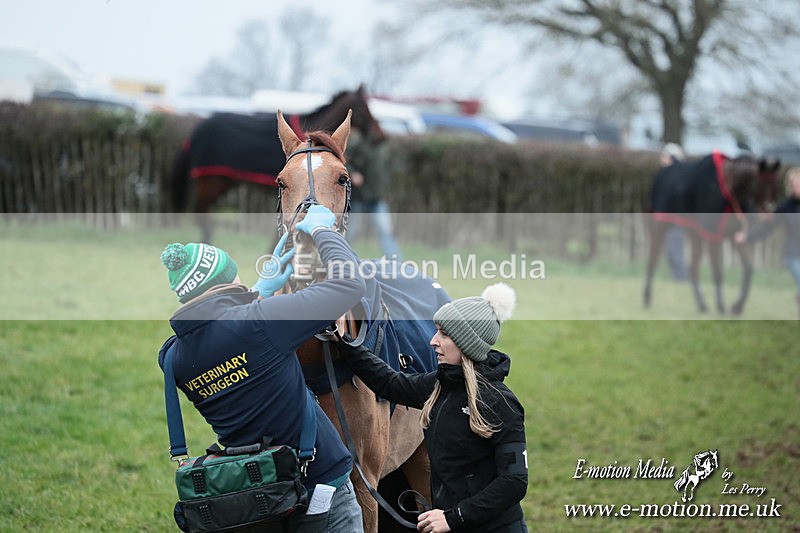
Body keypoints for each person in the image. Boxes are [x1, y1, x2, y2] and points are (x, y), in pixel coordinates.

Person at [157, 205, 366, 533]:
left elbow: (220, 330)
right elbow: (348, 286)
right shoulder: (261, 323)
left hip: (257, 498)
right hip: (319, 487)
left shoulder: (172, 358)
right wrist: (324, 231)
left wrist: (258, 292)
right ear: (225, 280)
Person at [336, 283, 528, 533]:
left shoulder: (500, 402)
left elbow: (514, 481)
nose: (433, 341)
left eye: (444, 335)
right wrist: (343, 342)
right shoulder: (439, 385)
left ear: (466, 343)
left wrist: (453, 517)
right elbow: (389, 382)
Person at [736, 167, 800, 318]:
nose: (796, 188)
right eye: (794, 185)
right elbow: (766, 229)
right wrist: (746, 236)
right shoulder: (786, 208)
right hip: (793, 255)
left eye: (798, 185)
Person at [345, 129, 403, 260]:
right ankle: (341, 261)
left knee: (385, 232)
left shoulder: (384, 147)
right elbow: (344, 162)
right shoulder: (358, 144)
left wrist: (387, 192)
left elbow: (385, 173)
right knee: (350, 232)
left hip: (378, 198)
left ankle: (397, 264)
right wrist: (353, 173)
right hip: (359, 197)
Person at [660, 143, 689, 280]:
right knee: (672, 249)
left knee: (675, 248)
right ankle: (679, 277)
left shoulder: (677, 177)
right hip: (670, 219)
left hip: (677, 219)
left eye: (664, 156)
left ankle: (682, 278)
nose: (661, 159)